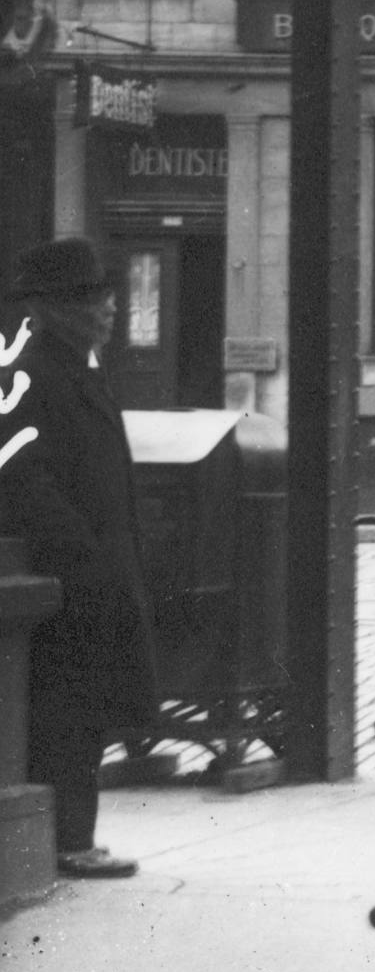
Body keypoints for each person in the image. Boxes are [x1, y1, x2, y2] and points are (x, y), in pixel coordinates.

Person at [0, 237, 161, 879]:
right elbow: (24, 478)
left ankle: (74, 837)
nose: (110, 309)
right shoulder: (35, 372)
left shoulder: (78, 368)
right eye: (94, 299)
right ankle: (68, 842)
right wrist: (83, 555)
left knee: (85, 713)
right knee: (69, 715)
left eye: (107, 296)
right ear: (55, 308)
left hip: (91, 574)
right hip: (71, 580)